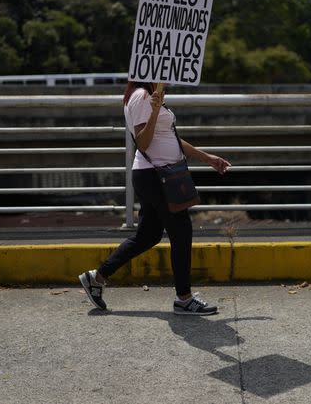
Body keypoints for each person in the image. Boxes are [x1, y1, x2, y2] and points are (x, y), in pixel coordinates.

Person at [80, 81, 231, 315]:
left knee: (147, 236)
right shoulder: (141, 96)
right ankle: (184, 298)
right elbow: (143, 141)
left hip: (156, 175)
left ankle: (96, 277)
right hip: (155, 175)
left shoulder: (152, 95)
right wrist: (155, 110)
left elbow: (169, 138)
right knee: (181, 229)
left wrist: (206, 157)